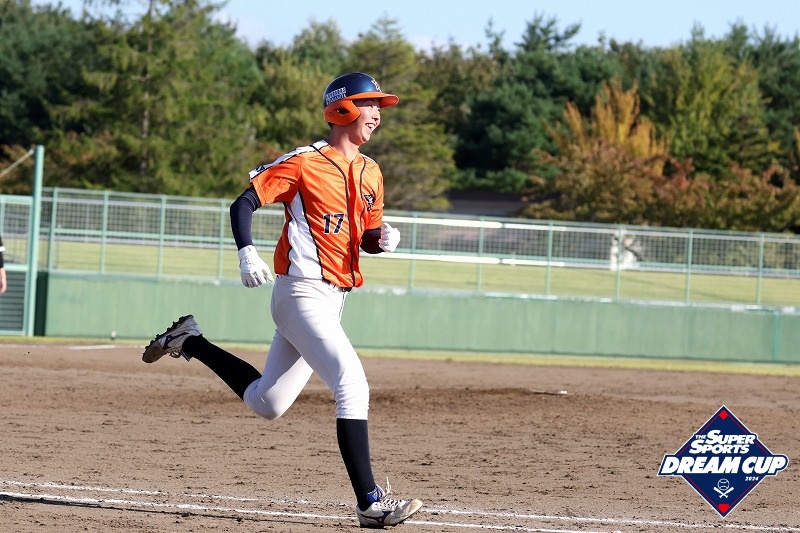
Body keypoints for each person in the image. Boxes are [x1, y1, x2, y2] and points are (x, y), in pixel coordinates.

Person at [142, 72, 422, 528]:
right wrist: (246, 251)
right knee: (352, 384)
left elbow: (367, 236)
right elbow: (243, 203)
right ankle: (370, 503)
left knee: (268, 403)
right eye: (370, 104)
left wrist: (382, 240)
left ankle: (189, 341)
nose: (377, 114)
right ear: (342, 108)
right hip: (300, 293)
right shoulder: (305, 162)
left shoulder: (371, 171)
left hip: (333, 300)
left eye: (379, 106)